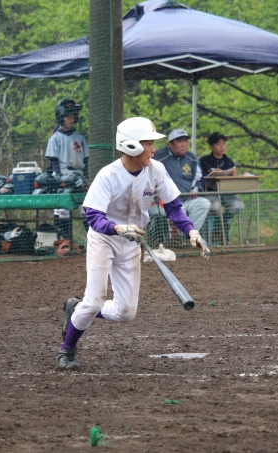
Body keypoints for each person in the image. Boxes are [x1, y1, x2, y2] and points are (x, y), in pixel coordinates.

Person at [56, 117, 210, 371]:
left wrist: (191, 231)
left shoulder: (156, 170)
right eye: (148, 143)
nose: (153, 149)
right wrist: (117, 227)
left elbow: (173, 206)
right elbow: (93, 217)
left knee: (126, 312)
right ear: (131, 146)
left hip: (132, 243)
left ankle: (76, 309)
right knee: (94, 301)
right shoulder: (108, 175)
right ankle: (67, 349)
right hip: (104, 239)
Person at [45, 98, 89, 240]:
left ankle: (94, 242)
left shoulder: (79, 137)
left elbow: (86, 160)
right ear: (61, 118)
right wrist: (59, 178)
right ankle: (65, 242)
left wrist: (86, 176)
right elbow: (53, 160)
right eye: (68, 116)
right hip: (62, 174)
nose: (72, 119)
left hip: (78, 176)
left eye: (73, 116)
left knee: (87, 208)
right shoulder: (55, 138)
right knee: (62, 210)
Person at [154, 128, 211, 235]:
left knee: (204, 203)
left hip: (187, 199)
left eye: (185, 141)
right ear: (170, 144)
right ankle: (178, 238)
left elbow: (199, 178)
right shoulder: (159, 157)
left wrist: (196, 190)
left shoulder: (192, 158)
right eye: (179, 141)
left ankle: (189, 235)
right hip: (166, 202)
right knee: (177, 211)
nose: (184, 144)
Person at [199, 132, 245, 244]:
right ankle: (222, 229)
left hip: (227, 193)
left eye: (224, 144)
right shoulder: (204, 160)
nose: (222, 147)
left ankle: (220, 225)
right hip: (210, 193)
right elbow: (201, 178)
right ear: (211, 147)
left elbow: (233, 180)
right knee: (215, 206)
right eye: (218, 144)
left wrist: (233, 175)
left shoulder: (229, 161)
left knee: (238, 205)